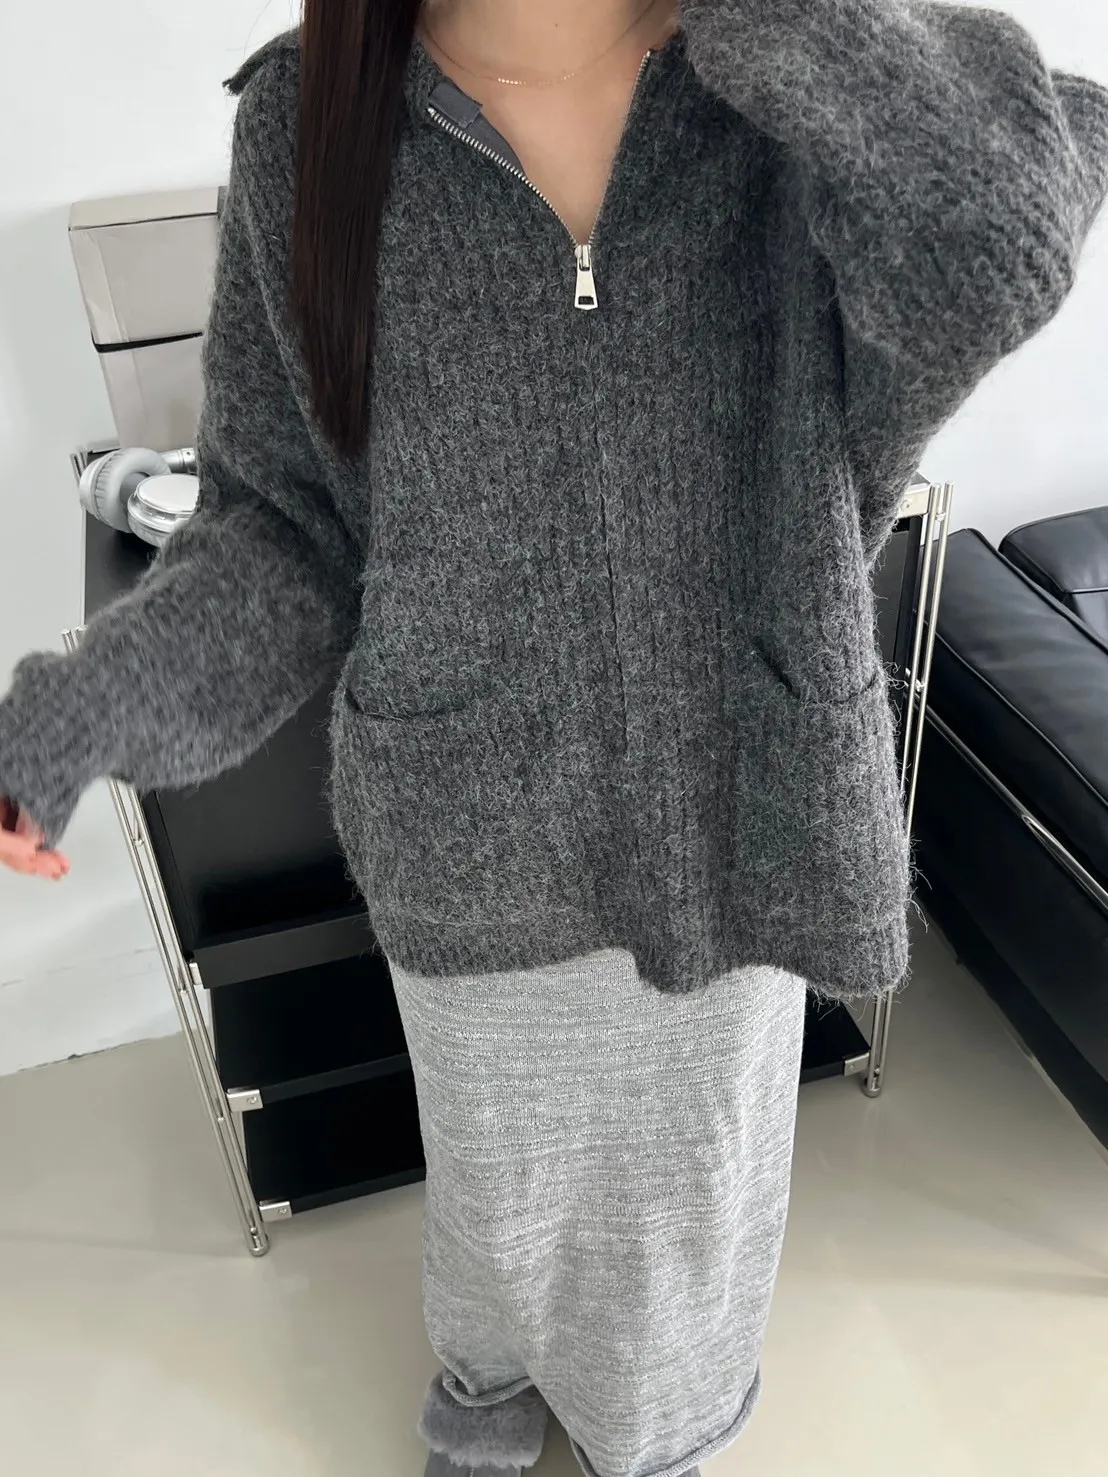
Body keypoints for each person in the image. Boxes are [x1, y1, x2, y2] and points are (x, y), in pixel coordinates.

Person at [3, 1, 1106, 1473]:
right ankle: (484, 1380)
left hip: (740, 788)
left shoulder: (798, 89)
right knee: (497, 1169)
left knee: (691, 1215)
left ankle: (663, 1440)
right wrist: (70, 717)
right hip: (466, 806)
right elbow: (283, 529)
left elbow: (1000, 240)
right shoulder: (307, 125)